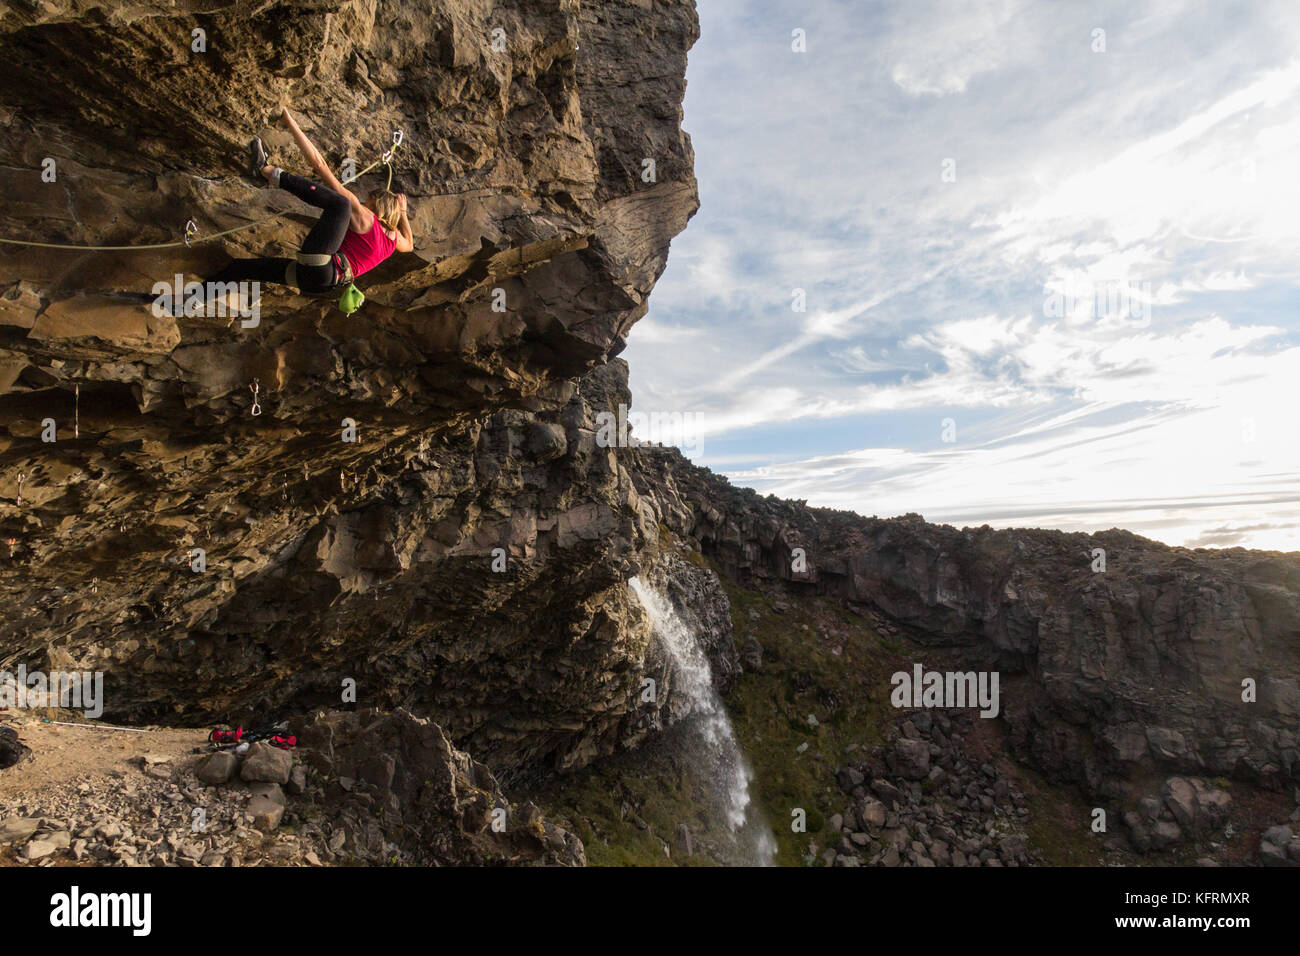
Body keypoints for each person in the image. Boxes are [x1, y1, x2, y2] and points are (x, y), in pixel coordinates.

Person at [207, 106, 413, 296]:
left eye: (367, 201)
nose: (362, 202)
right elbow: (410, 245)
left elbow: (319, 164)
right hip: (319, 283)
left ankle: (264, 170)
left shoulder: (365, 216)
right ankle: (188, 301)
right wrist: (402, 213)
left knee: (341, 203)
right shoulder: (393, 240)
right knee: (241, 268)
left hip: (322, 267)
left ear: (375, 204)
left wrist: (289, 121)